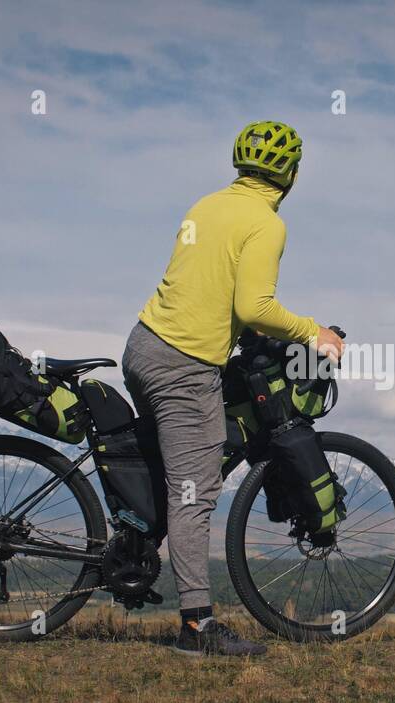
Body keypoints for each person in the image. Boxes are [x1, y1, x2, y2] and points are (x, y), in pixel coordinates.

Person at [121, 120, 345, 656]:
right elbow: (253, 307)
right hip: (184, 363)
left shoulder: (206, 206)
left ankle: (132, 544)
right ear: (290, 174)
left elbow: (208, 289)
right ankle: (196, 628)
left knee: (170, 471)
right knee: (194, 492)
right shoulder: (267, 224)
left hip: (144, 346)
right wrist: (314, 331)